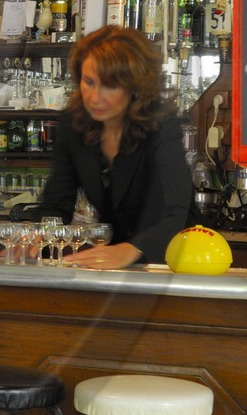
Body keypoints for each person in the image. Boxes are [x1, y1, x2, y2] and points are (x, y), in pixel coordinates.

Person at [34, 24, 192, 269]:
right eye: (89, 81)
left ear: (135, 87)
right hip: (114, 260)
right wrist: (37, 235)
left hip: (175, 258)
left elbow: (177, 211)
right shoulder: (73, 124)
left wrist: (134, 248)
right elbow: (56, 203)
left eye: (110, 85)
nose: (95, 97)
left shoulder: (161, 126)